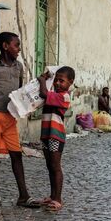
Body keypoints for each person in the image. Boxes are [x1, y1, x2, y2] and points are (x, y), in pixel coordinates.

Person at [0, 32, 39, 208]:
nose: (18, 49)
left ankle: (23, 195)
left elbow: (20, 91)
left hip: (10, 115)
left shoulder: (19, 66)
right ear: (5, 46)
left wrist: (26, 106)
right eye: (16, 45)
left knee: (16, 153)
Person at [36, 66, 75, 212]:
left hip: (56, 136)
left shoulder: (63, 96)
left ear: (70, 82)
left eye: (62, 81)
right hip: (46, 134)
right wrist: (45, 77)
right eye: (56, 80)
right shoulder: (54, 93)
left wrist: (41, 81)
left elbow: (43, 92)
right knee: (50, 166)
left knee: (56, 167)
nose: (58, 83)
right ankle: (52, 196)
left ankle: (58, 199)